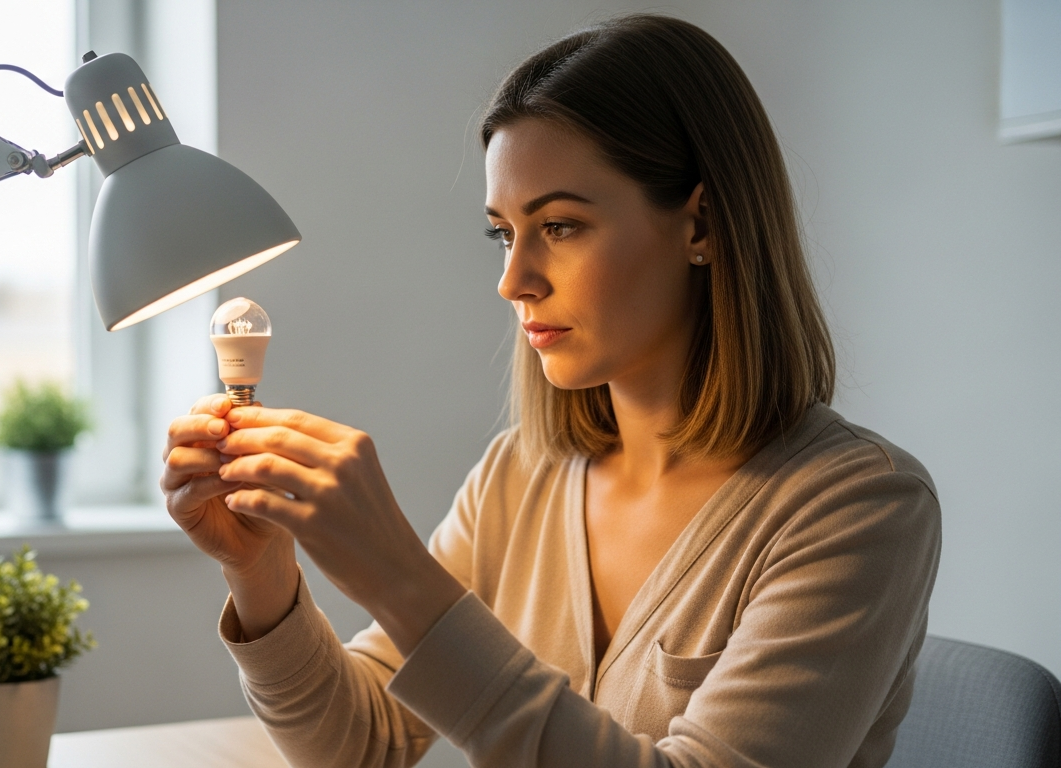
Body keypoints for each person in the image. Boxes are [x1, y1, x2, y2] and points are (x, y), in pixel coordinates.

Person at [161, 14, 940, 768]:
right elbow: (356, 746)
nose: (513, 280)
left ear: (701, 226)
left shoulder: (858, 507)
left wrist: (396, 576)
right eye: (504, 232)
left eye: (560, 226)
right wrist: (262, 575)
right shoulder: (519, 476)